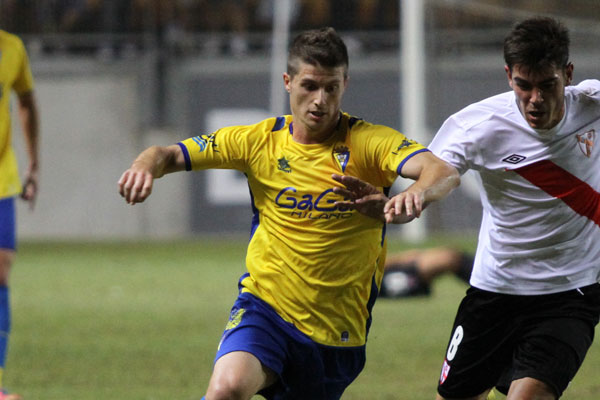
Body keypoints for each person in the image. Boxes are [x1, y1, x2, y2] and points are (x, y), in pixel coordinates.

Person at [118, 27, 459, 399]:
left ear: (345, 83)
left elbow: (442, 172)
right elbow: (166, 154)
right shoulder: (256, 142)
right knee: (227, 388)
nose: (320, 100)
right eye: (309, 86)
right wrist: (143, 167)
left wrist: (412, 197)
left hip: (337, 331)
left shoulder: (370, 142)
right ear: (287, 81)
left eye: (331, 87)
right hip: (265, 307)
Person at [341, 16, 600, 400]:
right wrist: (416, 198)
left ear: (568, 73)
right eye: (523, 86)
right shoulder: (476, 125)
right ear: (508, 75)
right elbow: (440, 172)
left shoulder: (592, 105)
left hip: (571, 291)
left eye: (548, 86)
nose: (536, 99)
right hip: (496, 290)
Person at [0, 30, 40, 400]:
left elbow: (26, 101)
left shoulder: (12, 48)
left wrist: (34, 163)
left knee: (0, 269)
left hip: (1, 176)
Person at [379, 247, 473, 298]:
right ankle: (483, 285)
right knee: (449, 259)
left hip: (385, 275)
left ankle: (482, 282)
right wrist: (401, 259)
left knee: (450, 255)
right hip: (388, 280)